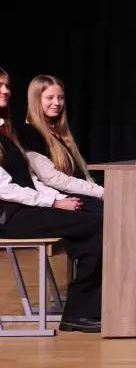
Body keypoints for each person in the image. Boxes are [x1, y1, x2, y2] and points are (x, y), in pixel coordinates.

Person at [0, 68, 104, 333]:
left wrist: (58, 198)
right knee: (96, 223)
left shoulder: (5, 132)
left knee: (94, 220)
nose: (6, 90)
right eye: (0, 86)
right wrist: (53, 202)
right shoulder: (22, 133)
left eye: (7, 85)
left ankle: (86, 307)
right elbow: (6, 189)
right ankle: (80, 311)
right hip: (10, 216)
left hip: (27, 208)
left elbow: (30, 180)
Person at [17, 75, 104, 209]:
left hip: (83, 196)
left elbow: (82, 173)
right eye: (50, 98)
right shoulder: (30, 133)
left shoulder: (59, 132)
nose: (57, 103)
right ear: (36, 100)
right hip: (65, 202)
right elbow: (52, 178)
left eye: (60, 98)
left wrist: (98, 190)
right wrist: (100, 192)